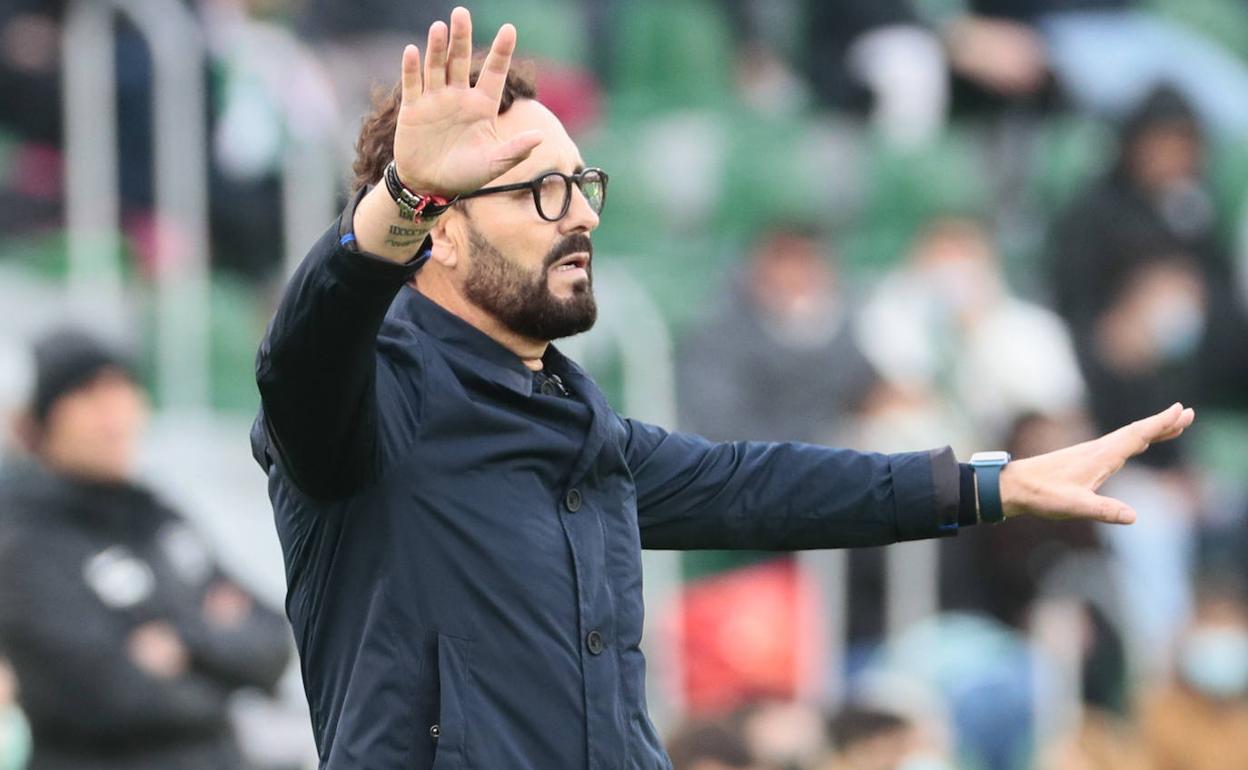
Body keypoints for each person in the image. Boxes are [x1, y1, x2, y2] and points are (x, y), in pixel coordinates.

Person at [250, 9, 1195, 769]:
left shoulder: (575, 419)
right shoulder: (371, 400)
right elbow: (299, 361)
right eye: (538, 191)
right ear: (442, 233)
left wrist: (995, 485)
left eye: (582, 184)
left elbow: (762, 484)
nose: (579, 214)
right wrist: (401, 200)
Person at [0, 329, 292, 770]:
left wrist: (184, 643)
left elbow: (271, 640)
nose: (114, 414)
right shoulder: (23, 533)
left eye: (124, 391)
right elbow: (106, 692)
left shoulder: (158, 516)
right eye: (90, 396)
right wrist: (222, 670)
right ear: (45, 419)